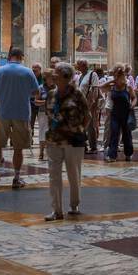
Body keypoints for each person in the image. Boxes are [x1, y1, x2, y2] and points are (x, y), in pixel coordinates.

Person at [43, 62, 90, 221]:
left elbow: (87, 116)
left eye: (56, 72)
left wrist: (79, 130)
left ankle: (74, 204)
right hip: (54, 140)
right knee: (53, 175)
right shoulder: (50, 94)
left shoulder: (78, 94)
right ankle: (56, 210)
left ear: (66, 77)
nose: (53, 74)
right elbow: (48, 114)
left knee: (73, 173)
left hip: (73, 141)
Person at [0, 48, 37, 189]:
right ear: (21, 57)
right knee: (18, 147)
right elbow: (36, 92)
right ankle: (16, 178)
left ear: (9, 57)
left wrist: (4, 96)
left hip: (3, 112)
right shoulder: (28, 71)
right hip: (21, 113)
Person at [104, 67, 135, 162]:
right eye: (115, 75)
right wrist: (113, 80)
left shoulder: (127, 87)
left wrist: (132, 105)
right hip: (115, 113)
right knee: (114, 133)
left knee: (127, 134)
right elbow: (101, 86)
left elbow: (134, 98)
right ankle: (112, 156)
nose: (116, 77)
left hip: (126, 113)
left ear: (123, 75)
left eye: (118, 75)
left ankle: (129, 154)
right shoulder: (112, 86)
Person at [76, 60, 101, 151]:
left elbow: (95, 89)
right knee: (82, 124)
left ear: (84, 66)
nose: (77, 67)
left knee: (90, 126)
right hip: (81, 104)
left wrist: (93, 104)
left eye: (79, 65)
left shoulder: (92, 75)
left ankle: (93, 146)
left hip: (89, 104)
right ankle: (84, 144)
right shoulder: (80, 76)